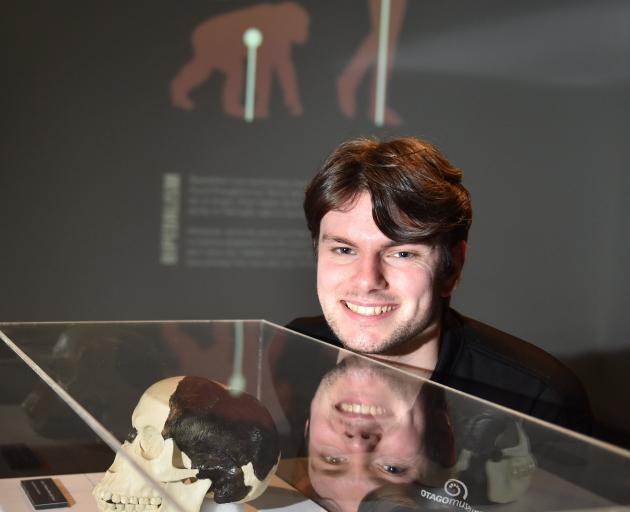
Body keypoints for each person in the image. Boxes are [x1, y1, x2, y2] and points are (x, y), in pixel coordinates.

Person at [287, 136, 592, 434]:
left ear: (452, 267)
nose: (367, 280)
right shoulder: (294, 348)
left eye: (402, 253)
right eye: (344, 250)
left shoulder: (534, 400)